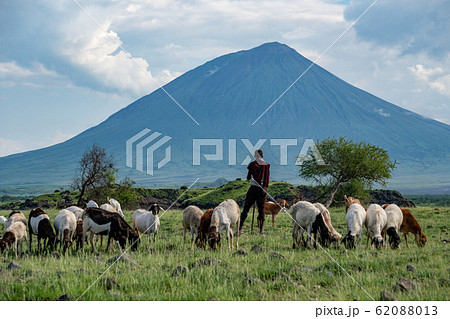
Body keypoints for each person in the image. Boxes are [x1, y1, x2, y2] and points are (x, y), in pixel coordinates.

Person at [239, 149, 270, 234]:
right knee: (261, 210)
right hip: (263, 190)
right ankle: (261, 231)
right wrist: (264, 188)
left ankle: (239, 229)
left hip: (253, 189)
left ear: (255, 156)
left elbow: (248, 177)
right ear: (262, 156)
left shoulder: (252, 165)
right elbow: (267, 179)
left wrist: (253, 176)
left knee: (246, 209)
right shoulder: (266, 166)